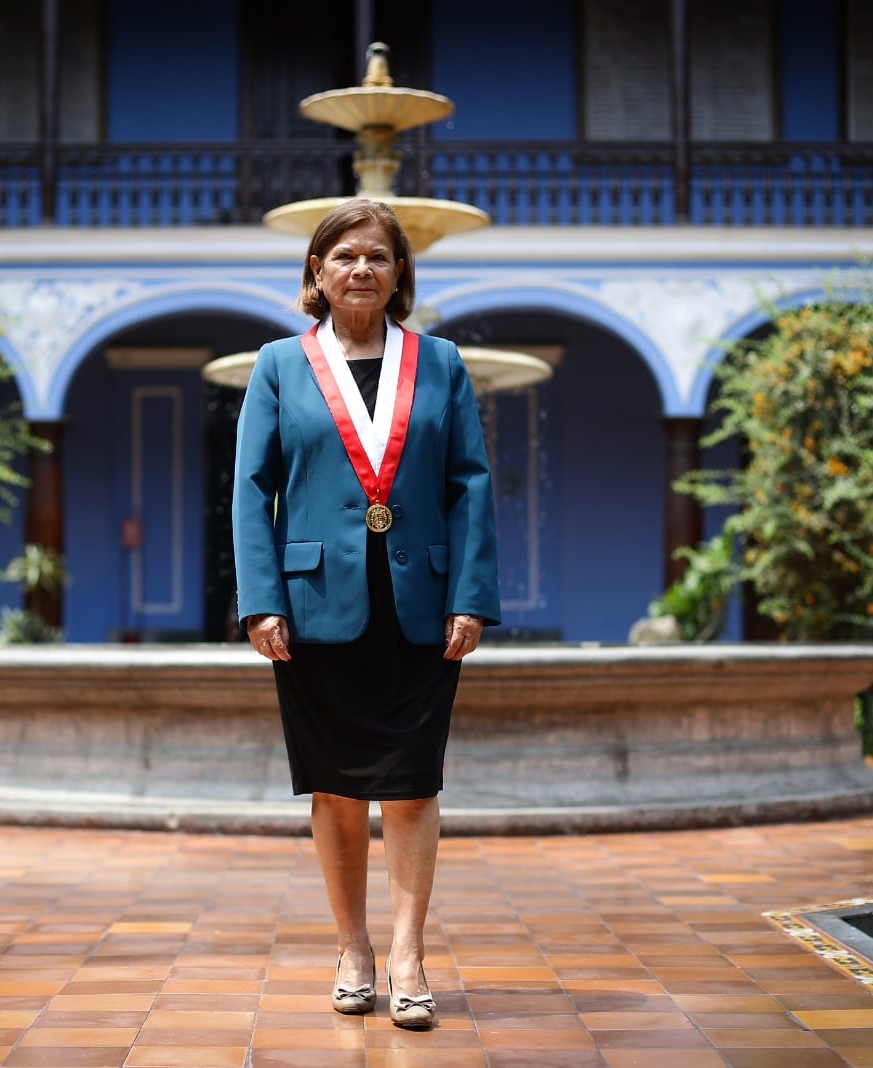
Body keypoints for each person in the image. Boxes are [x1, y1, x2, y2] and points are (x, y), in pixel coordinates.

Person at [232, 198, 500, 1030]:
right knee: (337, 789)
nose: (360, 269)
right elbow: (251, 488)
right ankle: (353, 948)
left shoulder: (441, 363)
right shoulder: (280, 363)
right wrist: (261, 600)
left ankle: (410, 954)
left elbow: (472, 483)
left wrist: (471, 595)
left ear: (398, 275)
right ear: (316, 272)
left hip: (421, 604)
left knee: (414, 786)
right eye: (344, 255)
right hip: (315, 609)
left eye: (378, 257)